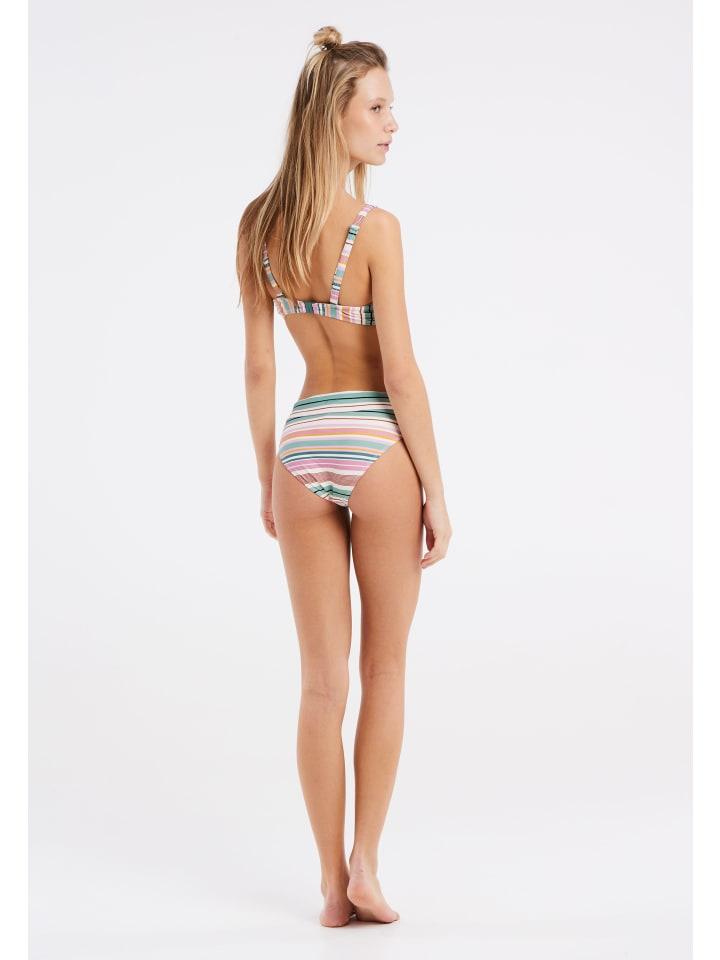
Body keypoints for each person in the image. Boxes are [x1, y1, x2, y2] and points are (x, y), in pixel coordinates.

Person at [235, 25, 452, 928]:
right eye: (378, 106)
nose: (393, 123)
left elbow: (260, 369)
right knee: (384, 667)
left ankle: (330, 888)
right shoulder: (376, 230)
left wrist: (268, 478)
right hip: (373, 446)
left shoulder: (259, 225)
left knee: (320, 683)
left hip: (302, 446)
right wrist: (436, 488)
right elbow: (399, 374)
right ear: (335, 116)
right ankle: (366, 864)